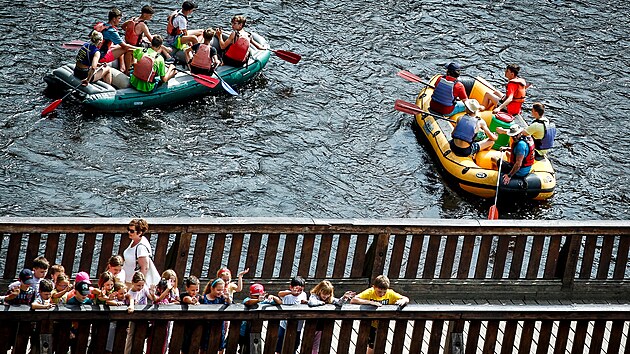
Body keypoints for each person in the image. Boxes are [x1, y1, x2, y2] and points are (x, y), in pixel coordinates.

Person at [350, 275, 409, 354]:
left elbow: (405, 298)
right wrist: (370, 302)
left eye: (384, 292)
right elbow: (354, 300)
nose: (382, 294)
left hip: (382, 323)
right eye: (379, 291)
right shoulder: (369, 292)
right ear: (374, 287)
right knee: (371, 345)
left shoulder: (390, 293)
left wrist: (403, 301)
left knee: (379, 344)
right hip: (369, 323)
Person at [307, 281, 355, 353]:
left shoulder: (329, 299)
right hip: (312, 324)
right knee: (308, 344)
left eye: (328, 294)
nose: (326, 296)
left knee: (316, 346)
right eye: (324, 294)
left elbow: (339, 303)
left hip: (322, 326)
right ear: (319, 291)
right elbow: (311, 302)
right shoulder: (314, 296)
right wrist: (321, 303)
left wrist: (344, 297)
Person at [239, 284, 281, 353]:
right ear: (250, 294)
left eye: (259, 295)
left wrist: (273, 296)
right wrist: (258, 300)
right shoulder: (247, 299)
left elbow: (279, 302)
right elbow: (248, 302)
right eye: (255, 295)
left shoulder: (264, 301)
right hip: (243, 330)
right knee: (243, 349)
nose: (258, 297)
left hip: (256, 329)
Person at [95, 8, 138, 74]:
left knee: (119, 44)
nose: (120, 20)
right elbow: (125, 46)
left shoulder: (102, 25)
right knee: (128, 49)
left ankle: (122, 66)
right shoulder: (112, 31)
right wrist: (141, 49)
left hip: (96, 52)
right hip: (101, 57)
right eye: (119, 18)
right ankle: (127, 72)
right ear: (114, 19)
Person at [124, 272, 157, 354]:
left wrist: (152, 294)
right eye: (138, 285)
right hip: (133, 318)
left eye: (142, 285)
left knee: (142, 335)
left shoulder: (144, 289)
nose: (140, 287)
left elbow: (152, 299)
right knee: (130, 336)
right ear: (133, 283)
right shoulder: (130, 293)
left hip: (143, 317)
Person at [275, 276, 307, 354]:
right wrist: (291, 292)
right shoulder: (287, 294)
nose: (298, 292)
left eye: (301, 290)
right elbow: (279, 293)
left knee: (294, 345)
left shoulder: (303, 294)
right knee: (279, 345)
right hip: (284, 325)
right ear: (291, 287)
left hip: (298, 327)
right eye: (296, 289)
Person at [200, 278, 232, 353]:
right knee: (204, 347)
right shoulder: (203, 298)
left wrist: (228, 298)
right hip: (206, 327)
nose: (220, 292)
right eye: (218, 290)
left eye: (222, 290)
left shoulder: (221, 299)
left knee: (220, 347)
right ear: (212, 288)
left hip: (219, 327)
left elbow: (230, 304)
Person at [122, 218, 155, 288]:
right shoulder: (135, 240)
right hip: (127, 280)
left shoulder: (141, 247)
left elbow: (144, 268)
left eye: (131, 231)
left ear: (140, 233)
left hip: (133, 283)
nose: (129, 232)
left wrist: (138, 285)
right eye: (128, 229)